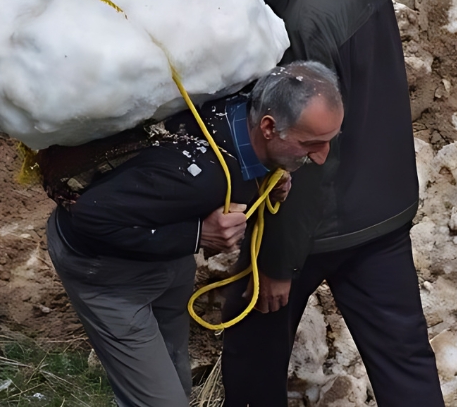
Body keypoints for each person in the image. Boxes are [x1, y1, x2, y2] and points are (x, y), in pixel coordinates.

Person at [221, 0, 444, 406]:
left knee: (250, 349)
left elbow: (305, 155)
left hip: (320, 228)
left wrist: (277, 264)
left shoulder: (297, 20)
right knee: (405, 361)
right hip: (384, 214)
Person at [40, 61, 344, 407]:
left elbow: (227, 172)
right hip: (107, 275)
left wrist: (265, 182)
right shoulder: (195, 175)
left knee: (175, 380)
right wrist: (199, 234)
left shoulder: (239, 111)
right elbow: (89, 219)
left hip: (167, 258)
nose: (322, 157)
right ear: (269, 127)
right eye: (312, 143)